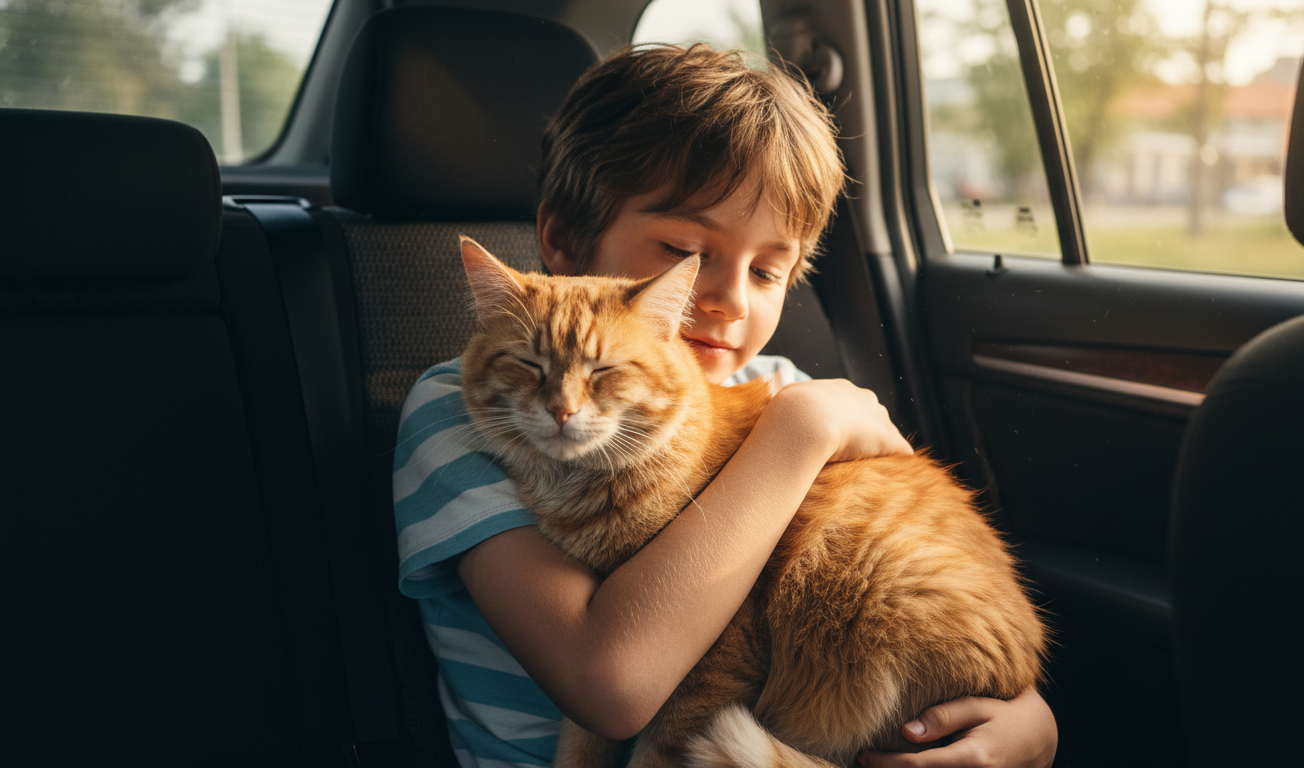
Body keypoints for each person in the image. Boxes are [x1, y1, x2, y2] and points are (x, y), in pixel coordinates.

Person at [393, 44, 1057, 768]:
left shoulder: (779, 381)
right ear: (560, 237)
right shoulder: (467, 414)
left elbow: (941, 559)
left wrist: (1029, 723)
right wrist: (802, 430)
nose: (728, 299)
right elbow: (612, 687)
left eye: (769, 270)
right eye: (686, 249)